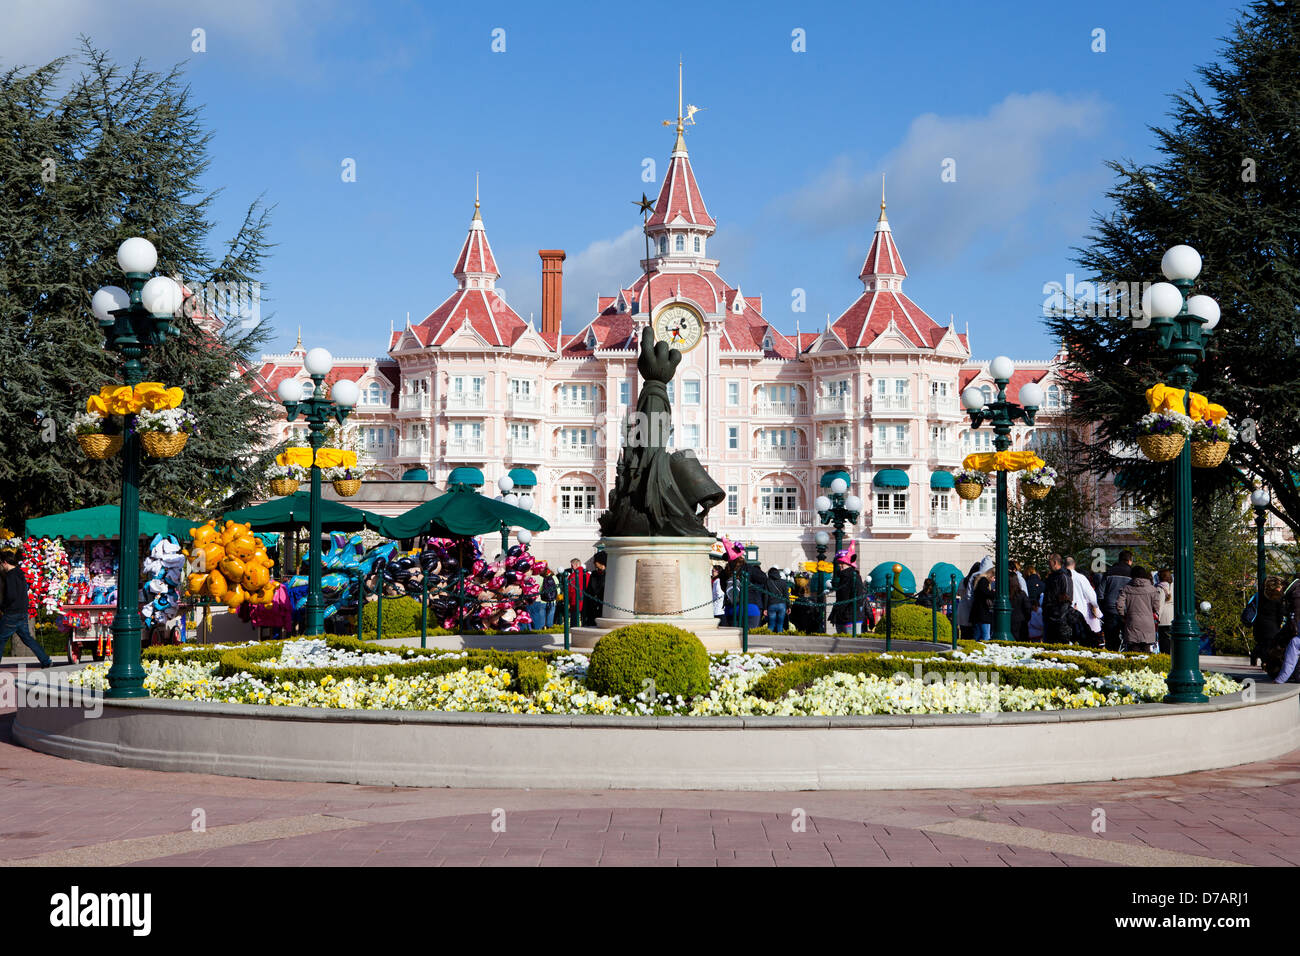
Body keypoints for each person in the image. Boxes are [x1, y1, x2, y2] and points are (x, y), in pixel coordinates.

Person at [0, 549, 53, 668]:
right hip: (23, 612)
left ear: (4, 562)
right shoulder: (20, 573)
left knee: (1, 638)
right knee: (27, 639)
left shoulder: (10, 576)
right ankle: (45, 660)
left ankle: (46, 660)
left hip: (11, 613)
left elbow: (11, 595)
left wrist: (3, 606)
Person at [1116, 565, 1162, 653]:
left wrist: (1122, 615)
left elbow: (1119, 604)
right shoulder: (1152, 589)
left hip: (1132, 621)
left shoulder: (1126, 588)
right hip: (1148, 621)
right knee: (1146, 648)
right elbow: (1156, 606)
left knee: (1133, 649)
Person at [1098, 549, 1136, 651]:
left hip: (1110, 609)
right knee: (1128, 640)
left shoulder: (1109, 572)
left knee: (1111, 640)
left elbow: (1100, 593)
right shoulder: (1132, 574)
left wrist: (1103, 607)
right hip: (1127, 611)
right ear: (1129, 561)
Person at [1063, 555, 1103, 646]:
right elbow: (1092, 596)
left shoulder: (1061, 577)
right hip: (1080, 614)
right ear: (1074, 565)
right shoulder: (1081, 578)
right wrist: (1095, 607)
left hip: (1064, 614)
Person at [1252, 575, 1286, 667]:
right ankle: (1265, 662)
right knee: (1270, 645)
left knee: (1263, 643)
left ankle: (1256, 656)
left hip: (1260, 623)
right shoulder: (1278, 597)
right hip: (1272, 625)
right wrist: (1280, 624)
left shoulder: (1260, 594)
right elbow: (1281, 613)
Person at [830, 556, 869, 634]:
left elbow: (858, 599)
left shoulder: (854, 577)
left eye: (843, 563)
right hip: (841, 617)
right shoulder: (842, 577)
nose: (840, 565)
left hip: (851, 618)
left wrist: (847, 613)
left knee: (852, 643)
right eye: (839, 563)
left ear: (849, 565)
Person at [1041, 553, 1073, 644]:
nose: (1048, 564)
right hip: (1050, 617)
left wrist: (1058, 617)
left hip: (1059, 619)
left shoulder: (1063, 577)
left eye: (1049, 562)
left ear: (1055, 562)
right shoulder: (1053, 577)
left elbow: (1066, 599)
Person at [970, 567, 995, 641]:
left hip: (978, 613)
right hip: (983, 614)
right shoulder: (984, 581)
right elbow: (985, 593)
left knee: (977, 635)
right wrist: (994, 593)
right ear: (990, 575)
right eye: (994, 577)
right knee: (986, 635)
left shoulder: (981, 580)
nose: (994, 580)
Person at [582, 552, 607, 627]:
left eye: (595, 561)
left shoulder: (608, 574)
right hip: (592, 606)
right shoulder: (594, 574)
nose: (594, 563)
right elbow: (589, 589)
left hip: (603, 605)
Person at [1009, 575, 1034, 643]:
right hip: (1021, 623)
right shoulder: (1022, 594)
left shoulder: (1006, 595)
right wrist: (1027, 618)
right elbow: (1028, 608)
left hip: (1009, 622)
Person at [566, 558, 590, 627]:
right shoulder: (587, 575)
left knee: (574, 621)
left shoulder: (572, 576)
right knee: (585, 621)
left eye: (572, 565)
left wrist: (568, 601)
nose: (571, 567)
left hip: (575, 601)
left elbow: (569, 590)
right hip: (585, 601)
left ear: (576, 565)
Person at [765, 567, 789, 634]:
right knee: (780, 625)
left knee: (771, 625)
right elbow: (786, 595)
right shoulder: (783, 582)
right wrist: (789, 606)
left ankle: (767, 639)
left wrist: (765, 608)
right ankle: (780, 641)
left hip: (771, 604)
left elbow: (766, 596)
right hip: (782, 605)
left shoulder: (768, 582)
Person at [1156, 569, 1174, 654]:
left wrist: (1156, 618)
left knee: (1164, 642)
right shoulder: (1173, 586)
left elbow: (1160, 604)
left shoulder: (1160, 587)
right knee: (1170, 642)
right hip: (1172, 617)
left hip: (1163, 619)